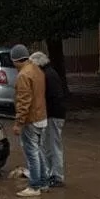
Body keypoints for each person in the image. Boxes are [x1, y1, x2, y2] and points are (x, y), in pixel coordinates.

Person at [10, 44, 48, 198]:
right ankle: (43, 182)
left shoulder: (23, 75)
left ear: (16, 60)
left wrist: (19, 123)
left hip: (30, 120)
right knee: (38, 151)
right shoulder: (37, 70)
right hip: (41, 116)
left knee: (31, 153)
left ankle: (34, 186)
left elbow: (24, 101)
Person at [30, 51, 66, 188]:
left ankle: (56, 176)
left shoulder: (45, 75)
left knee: (52, 146)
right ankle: (51, 174)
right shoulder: (50, 73)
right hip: (55, 114)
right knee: (49, 145)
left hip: (52, 115)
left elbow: (45, 97)